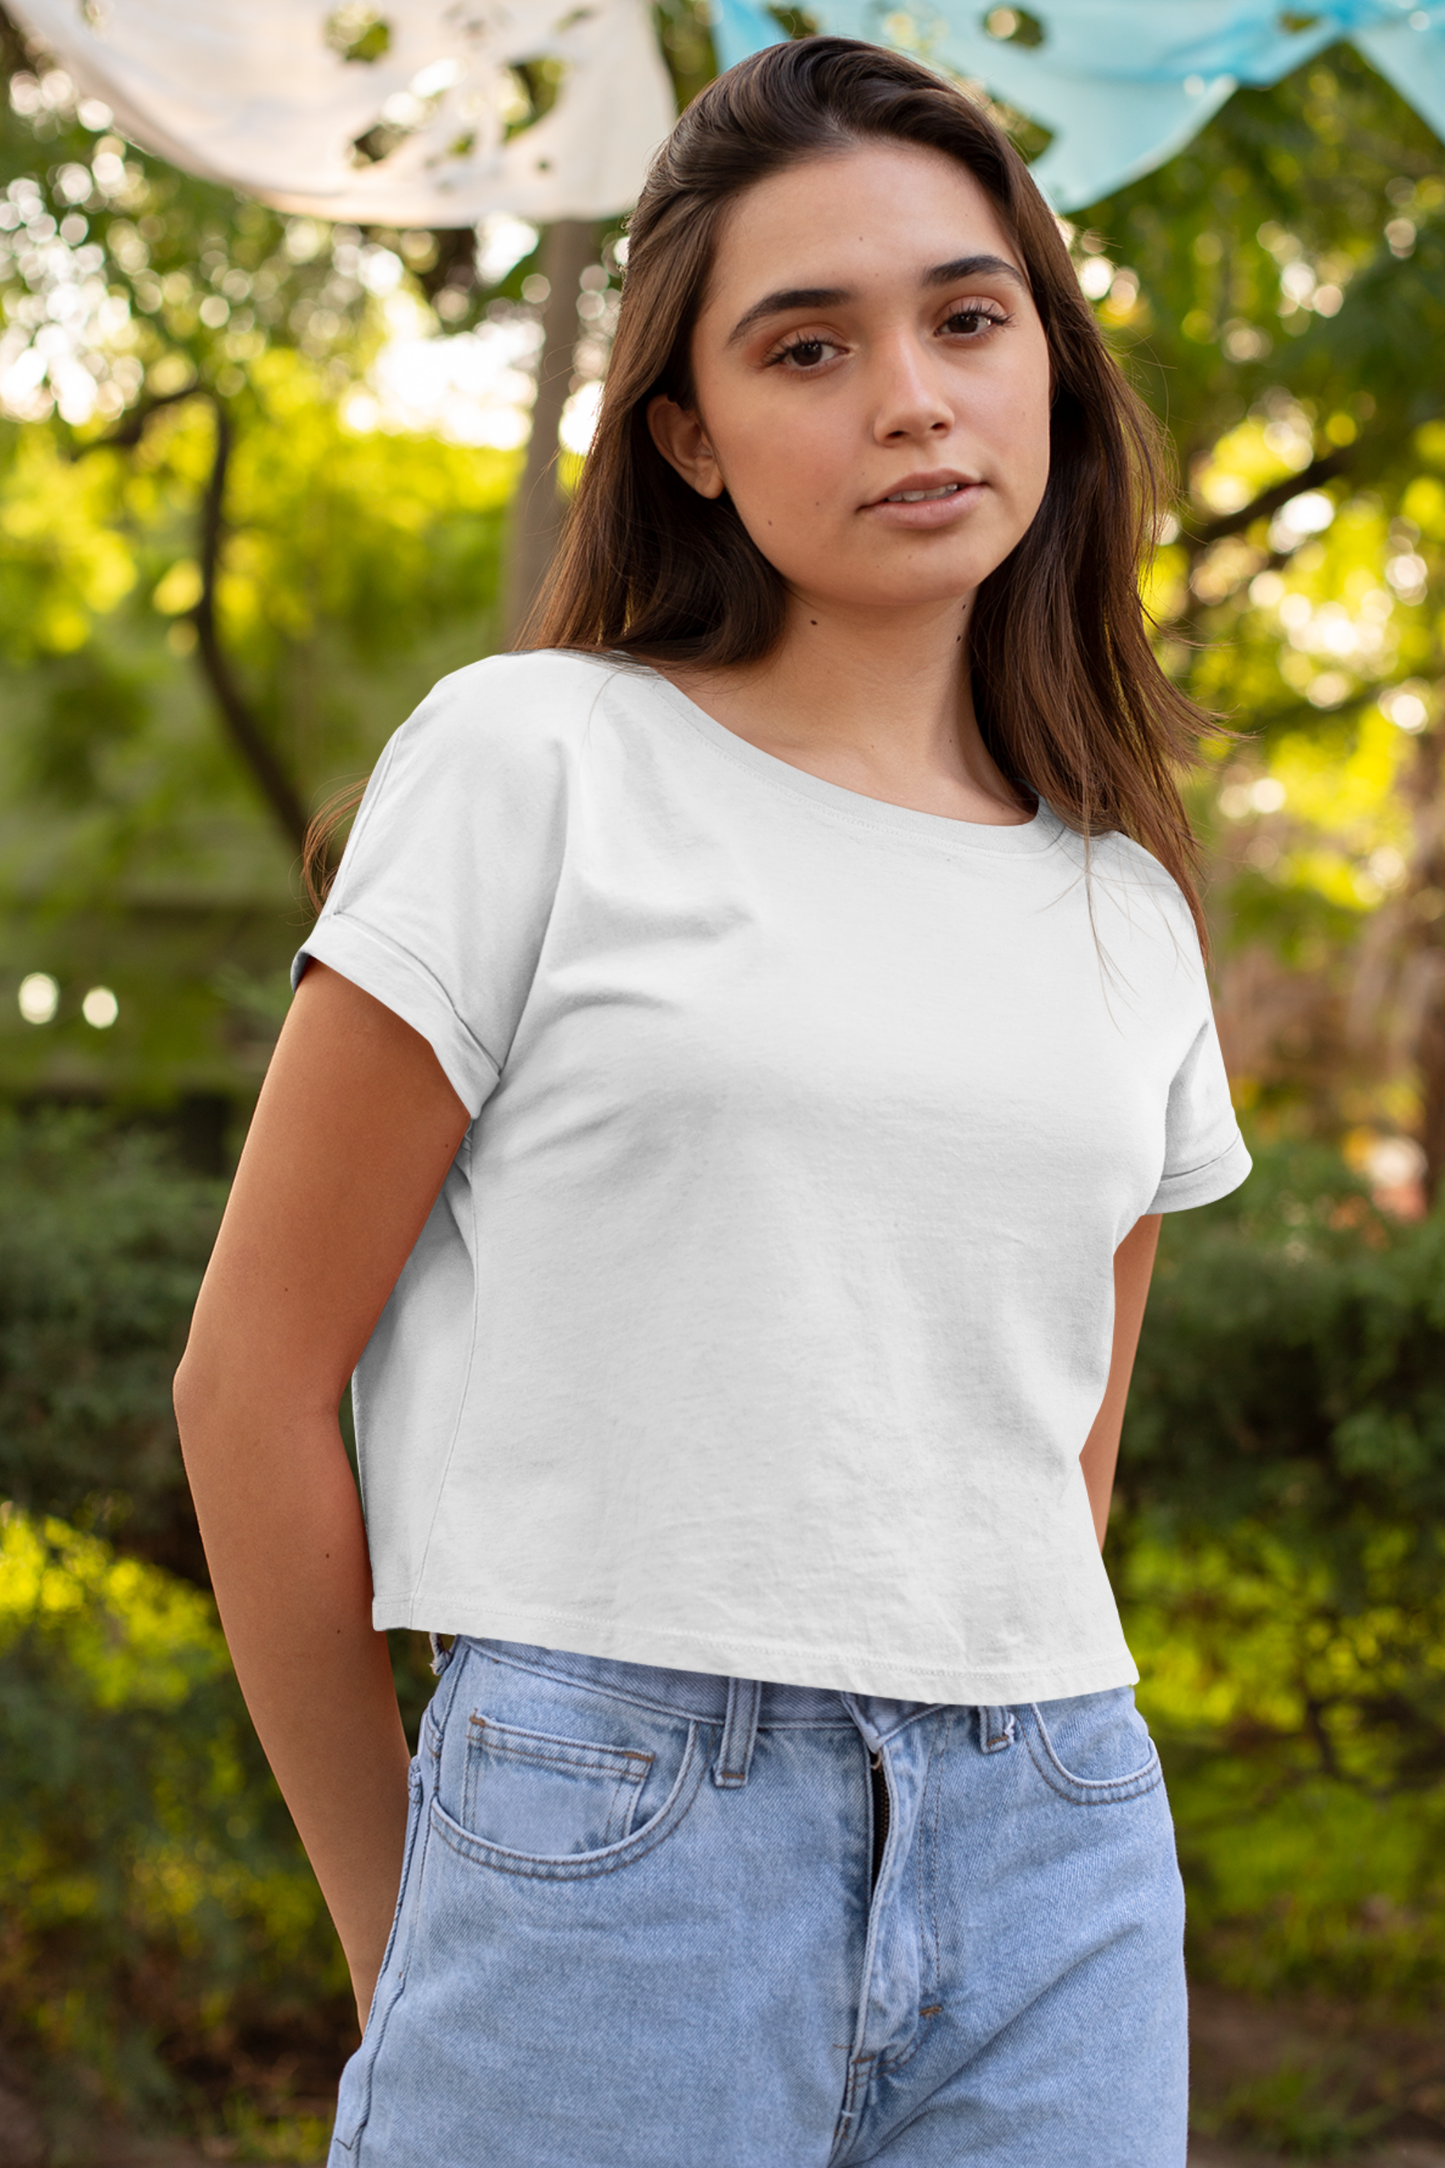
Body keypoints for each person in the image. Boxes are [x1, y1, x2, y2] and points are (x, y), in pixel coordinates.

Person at [174, 35, 1250, 2167]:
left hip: (1056, 1848)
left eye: (964, 316)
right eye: (805, 346)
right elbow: (248, 1381)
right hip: (601, 1836)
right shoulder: (532, 765)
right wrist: (416, 1924)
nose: (911, 397)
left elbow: (1057, 1462)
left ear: (1042, 354)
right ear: (685, 432)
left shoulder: (1123, 905)